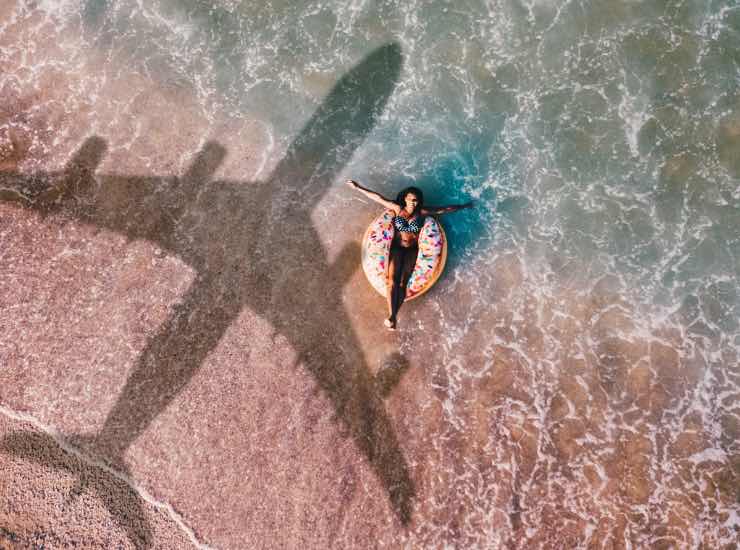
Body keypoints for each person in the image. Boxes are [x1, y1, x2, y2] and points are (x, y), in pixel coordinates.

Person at [346, 179, 473, 330]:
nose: (413, 202)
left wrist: (464, 206)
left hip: (413, 250)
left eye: (416, 200)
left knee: (403, 283)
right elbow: (378, 197)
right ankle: (393, 317)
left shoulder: (422, 212)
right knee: (392, 280)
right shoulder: (397, 208)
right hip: (397, 248)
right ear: (405, 198)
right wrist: (358, 187)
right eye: (411, 199)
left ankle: (393, 317)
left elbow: (443, 210)